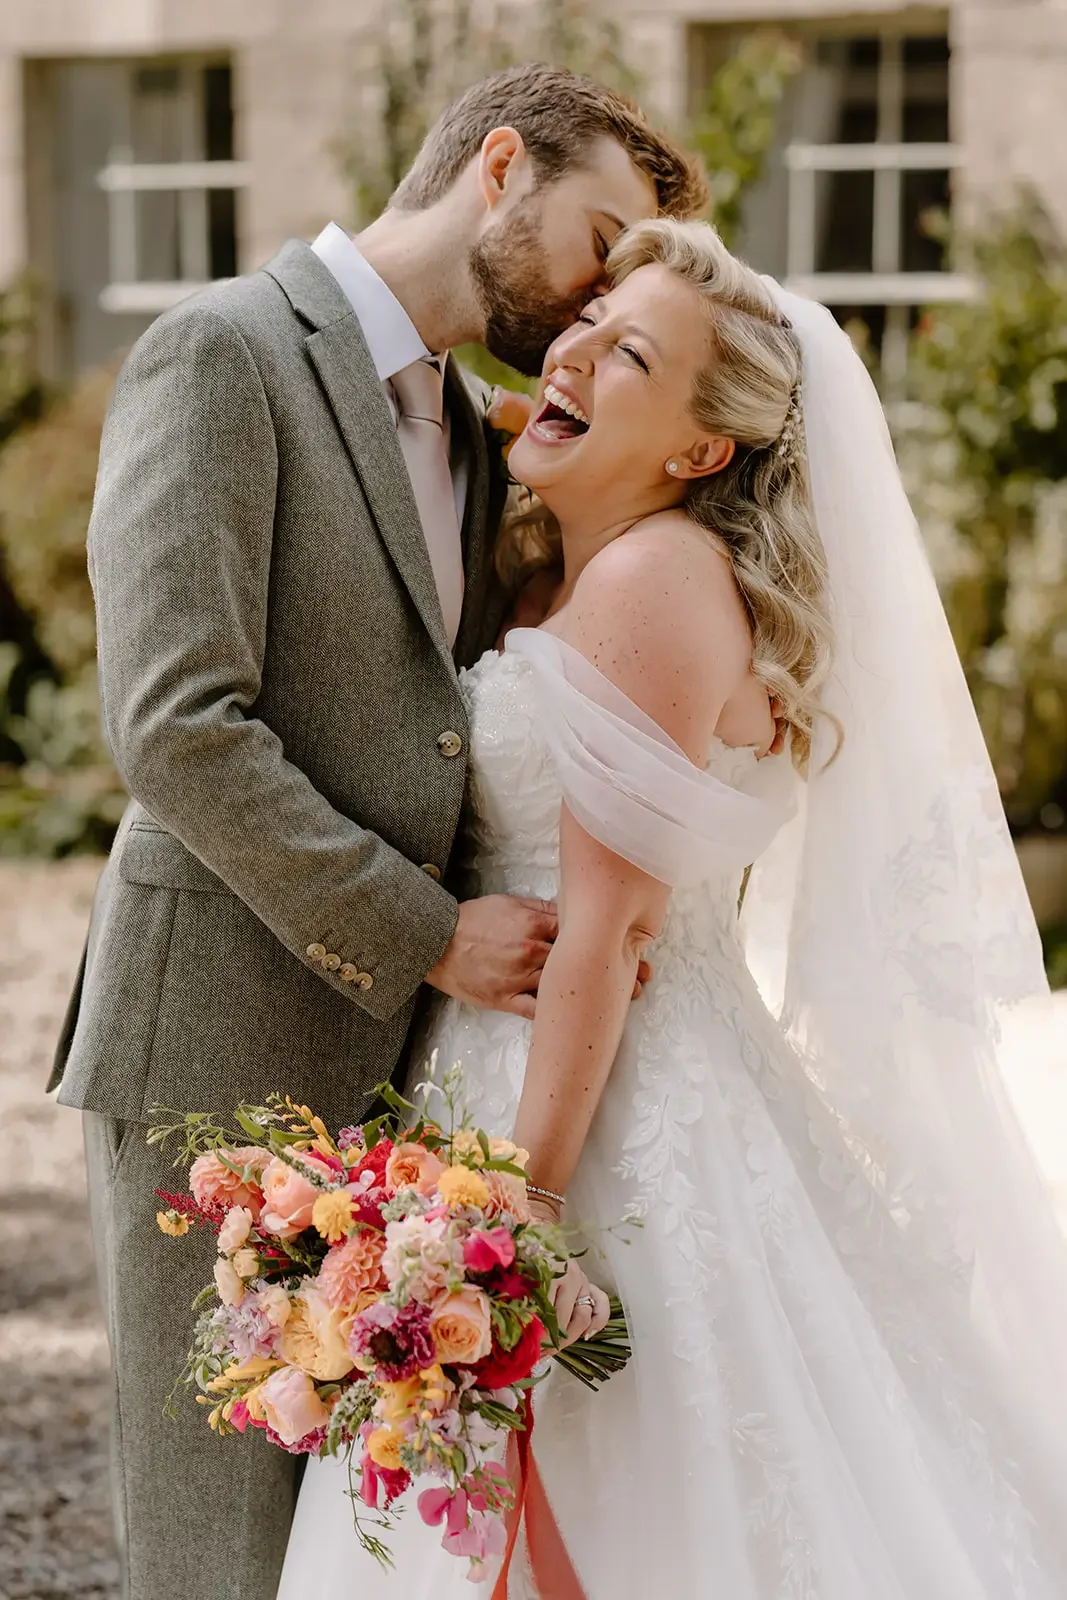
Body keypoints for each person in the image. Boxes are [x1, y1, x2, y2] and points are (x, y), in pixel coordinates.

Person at [281, 218, 1067, 1598]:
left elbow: (609, 933)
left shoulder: (651, 582)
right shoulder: (572, 564)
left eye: (627, 352)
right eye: (588, 323)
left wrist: (513, 1223)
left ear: (702, 450)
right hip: (529, 1068)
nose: (572, 350)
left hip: (604, 1107)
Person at [47, 67, 704, 1600]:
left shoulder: (487, 441)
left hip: (414, 1073)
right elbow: (176, 725)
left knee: (361, 1539)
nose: (595, 290)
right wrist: (432, 934)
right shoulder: (218, 355)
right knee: (217, 1540)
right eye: (594, 236)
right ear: (496, 168)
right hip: (217, 1033)